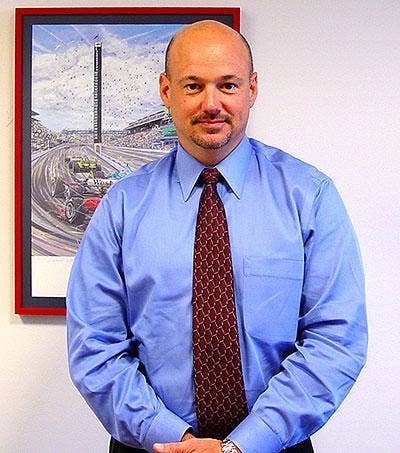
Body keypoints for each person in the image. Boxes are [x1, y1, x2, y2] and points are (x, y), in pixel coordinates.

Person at [67, 20, 368, 453]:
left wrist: (244, 444)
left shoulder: (309, 196)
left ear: (252, 89)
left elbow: (336, 339)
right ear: (166, 90)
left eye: (228, 85)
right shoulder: (123, 206)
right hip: (154, 447)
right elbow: (95, 345)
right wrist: (173, 438)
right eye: (193, 86)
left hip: (274, 446)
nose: (212, 104)